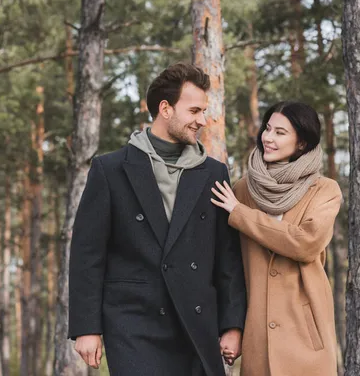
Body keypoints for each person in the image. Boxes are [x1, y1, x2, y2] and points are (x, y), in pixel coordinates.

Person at [68, 62, 247, 376]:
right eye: (194, 111)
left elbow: (227, 256)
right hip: (133, 324)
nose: (202, 121)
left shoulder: (213, 172)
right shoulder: (110, 170)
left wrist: (233, 324)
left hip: (195, 321)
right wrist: (86, 327)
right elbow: (87, 254)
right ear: (165, 108)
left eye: (203, 112)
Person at [211, 101, 342, 376]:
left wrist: (241, 214)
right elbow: (229, 266)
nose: (268, 138)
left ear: (302, 143)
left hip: (306, 338)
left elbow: (305, 243)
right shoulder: (242, 191)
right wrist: (232, 327)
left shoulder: (325, 190)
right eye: (268, 129)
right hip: (258, 339)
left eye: (280, 132)